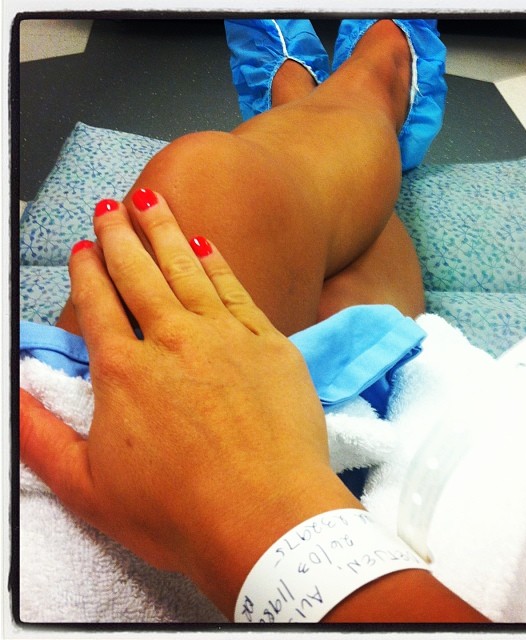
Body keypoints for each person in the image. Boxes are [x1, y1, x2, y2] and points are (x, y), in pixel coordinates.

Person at [19, 18, 489, 622]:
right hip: (385, 525)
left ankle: (314, 106)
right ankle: (382, 79)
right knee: (212, 179)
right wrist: (250, 511)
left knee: (246, 210)